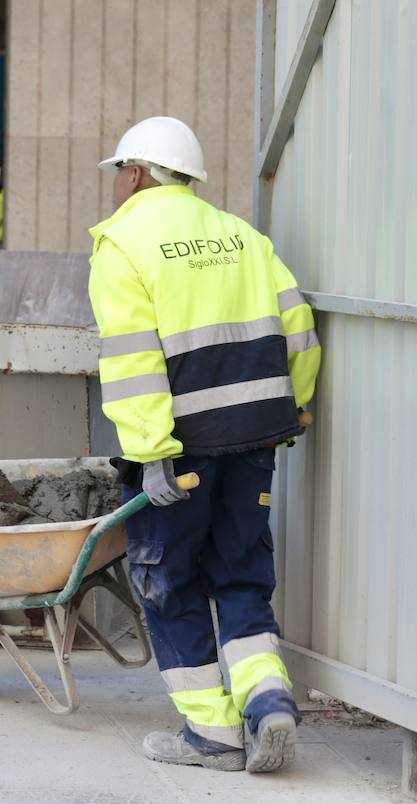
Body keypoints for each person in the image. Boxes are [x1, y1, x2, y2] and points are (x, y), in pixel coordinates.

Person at [86, 116, 322, 774]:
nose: (116, 187)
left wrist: (152, 450)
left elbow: (132, 363)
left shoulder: (123, 244)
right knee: (242, 574)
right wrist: (296, 407)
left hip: (179, 453)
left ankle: (214, 735)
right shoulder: (243, 238)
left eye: (119, 175)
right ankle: (268, 700)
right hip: (253, 440)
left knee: (168, 581)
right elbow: (298, 325)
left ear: (136, 174)